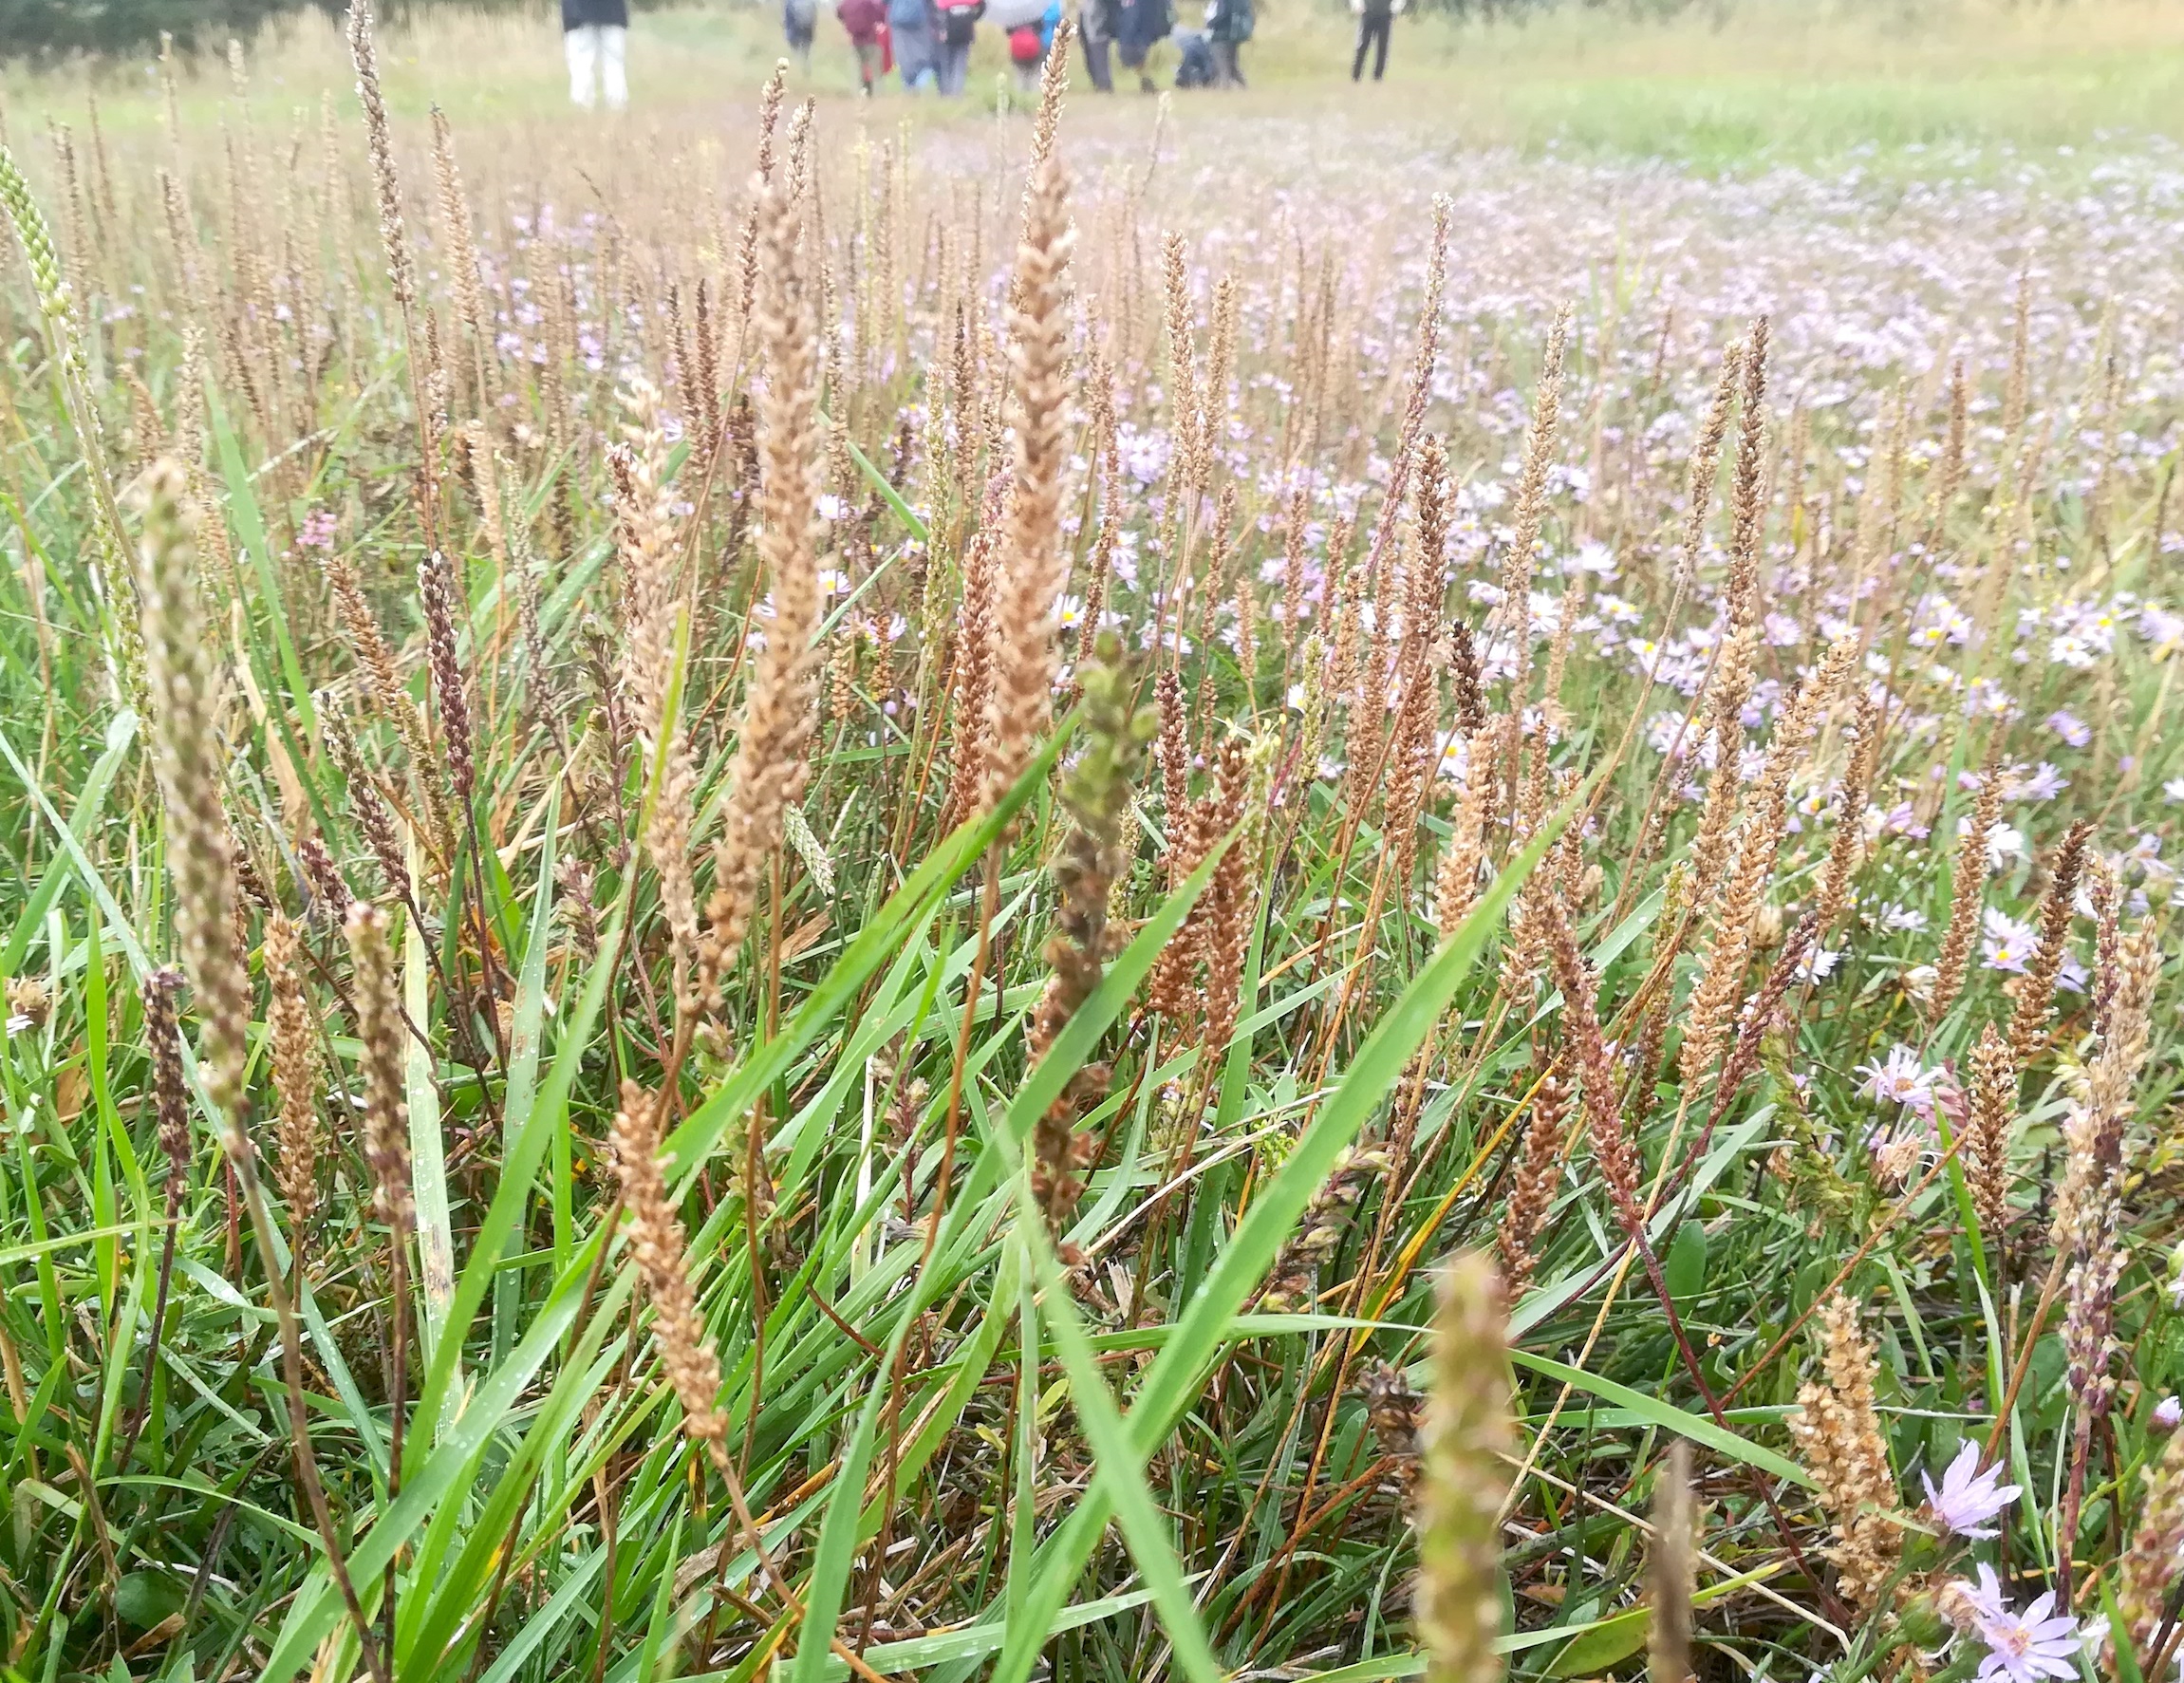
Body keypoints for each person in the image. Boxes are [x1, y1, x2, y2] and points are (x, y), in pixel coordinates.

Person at [562, 0, 629, 110]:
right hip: (612, 10)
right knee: (614, 61)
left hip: (578, 11)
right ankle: (616, 102)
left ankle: (583, 104)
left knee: (582, 61)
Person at [1112, 0, 1168, 91]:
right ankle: (1146, 80)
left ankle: (1146, 80)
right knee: (1130, 54)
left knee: (1135, 53)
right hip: (1130, 30)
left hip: (1141, 30)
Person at [934, 0, 982, 93]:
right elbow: (982, 6)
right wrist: (972, 17)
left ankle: (946, 93)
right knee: (960, 64)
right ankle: (956, 93)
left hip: (948, 31)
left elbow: (937, 11)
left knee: (946, 64)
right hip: (966, 31)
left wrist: (939, 29)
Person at [840, 0, 888, 91]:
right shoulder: (869, 3)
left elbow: (839, 13)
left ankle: (859, 92)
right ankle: (878, 94)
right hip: (870, 39)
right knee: (876, 70)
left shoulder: (847, 3)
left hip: (855, 40)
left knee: (858, 68)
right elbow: (882, 13)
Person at [889, 0, 939, 89]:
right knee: (922, 52)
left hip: (898, 19)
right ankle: (920, 81)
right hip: (920, 18)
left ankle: (909, 83)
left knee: (903, 53)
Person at [1351, 0, 1399, 82]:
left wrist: (1394, 9)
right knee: (1363, 44)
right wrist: (1358, 6)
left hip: (1385, 15)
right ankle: (1356, 74)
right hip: (1368, 13)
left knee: (1382, 46)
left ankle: (1378, 75)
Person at [1204, 0, 1249, 85]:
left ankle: (1225, 89)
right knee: (1233, 66)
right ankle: (1245, 88)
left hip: (1220, 36)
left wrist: (1210, 23)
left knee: (1222, 66)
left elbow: (1222, 14)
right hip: (1233, 35)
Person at [1079, 0, 1116, 91]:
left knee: (1098, 44)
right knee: (1089, 47)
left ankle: (1104, 84)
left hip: (1097, 17)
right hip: (1086, 10)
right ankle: (1098, 82)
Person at [785, 0, 819, 68]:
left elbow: (788, 18)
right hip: (807, 28)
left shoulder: (790, 2)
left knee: (796, 49)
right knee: (805, 50)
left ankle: (798, 66)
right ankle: (805, 65)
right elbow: (814, 16)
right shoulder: (810, 2)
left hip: (794, 29)